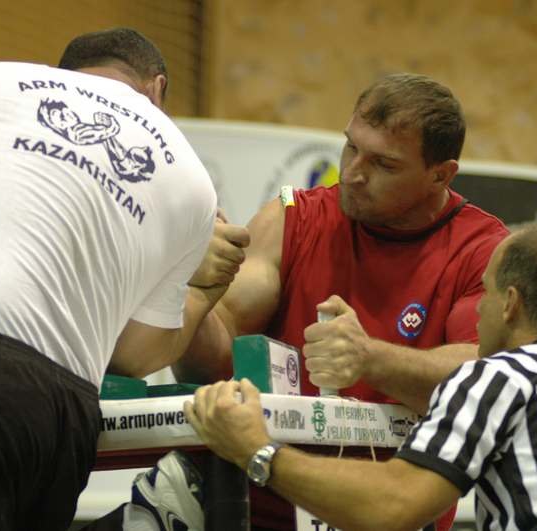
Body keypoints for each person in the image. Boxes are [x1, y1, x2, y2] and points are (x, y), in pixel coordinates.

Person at [0, 28, 247, 531]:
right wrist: (207, 289)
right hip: (67, 409)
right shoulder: (190, 178)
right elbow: (135, 355)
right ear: (157, 91)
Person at [169, 72, 509, 530]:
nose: (352, 172)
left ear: (440, 174)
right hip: (255, 506)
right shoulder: (293, 220)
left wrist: (369, 358)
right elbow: (208, 361)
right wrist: (192, 289)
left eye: (384, 164)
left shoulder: (483, 250)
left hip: (385, 512)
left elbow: (487, 380)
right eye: (351, 147)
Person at [186, 221, 537, 530]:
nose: (481, 312)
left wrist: (257, 450)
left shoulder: (499, 375)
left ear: (510, 303)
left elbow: (390, 508)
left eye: (486, 294)